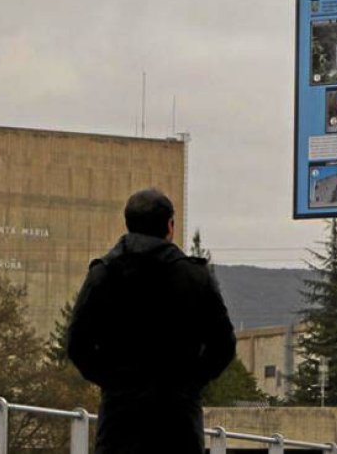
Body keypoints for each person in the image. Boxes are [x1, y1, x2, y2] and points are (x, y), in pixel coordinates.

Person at [67, 188, 236, 454]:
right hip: (178, 419)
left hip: (120, 420)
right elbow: (223, 345)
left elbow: (77, 344)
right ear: (169, 226)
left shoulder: (103, 274)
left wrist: (112, 381)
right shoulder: (194, 277)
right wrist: (190, 382)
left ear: (128, 224)